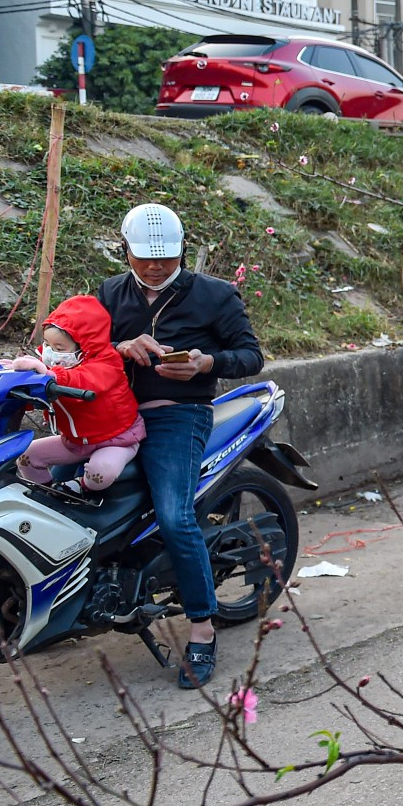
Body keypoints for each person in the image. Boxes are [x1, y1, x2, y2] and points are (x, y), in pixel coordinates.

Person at [98, 204, 263, 690]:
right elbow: (84, 350)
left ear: (181, 250)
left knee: (175, 516)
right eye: (145, 257)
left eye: (165, 257)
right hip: (115, 415)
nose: (154, 266)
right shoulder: (110, 292)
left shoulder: (214, 295)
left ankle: (202, 628)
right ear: (124, 248)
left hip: (178, 416)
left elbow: (251, 355)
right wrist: (119, 349)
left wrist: (205, 363)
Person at [9, 295, 145, 499]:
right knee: (27, 455)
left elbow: (82, 381)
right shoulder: (52, 365)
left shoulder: (107, 363)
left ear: (84, 346)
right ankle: (46, 496)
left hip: (117, 439)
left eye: (59, 348)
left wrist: (47, 374)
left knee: (100, 473)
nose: (50, 352)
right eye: (47, 344)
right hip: (75, 441)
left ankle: (81, 490)